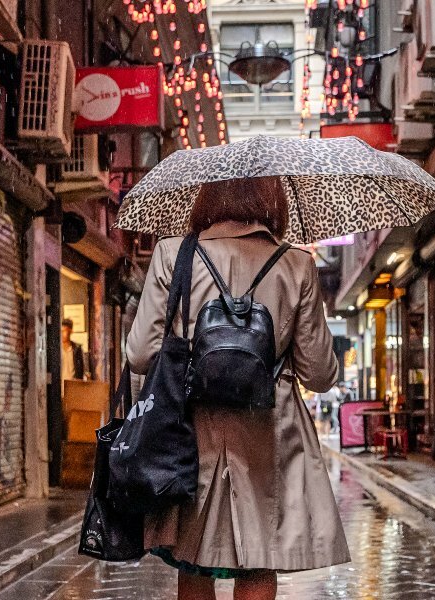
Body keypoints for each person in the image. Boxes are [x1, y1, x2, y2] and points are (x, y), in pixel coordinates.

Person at [126, 176, 350, 600]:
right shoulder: (297, 264)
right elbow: (319, 374)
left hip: (190, 432)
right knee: (258, 560)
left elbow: (140, 354)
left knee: (194, 557)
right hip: (271, 433)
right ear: (274, 202)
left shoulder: (174, 254)